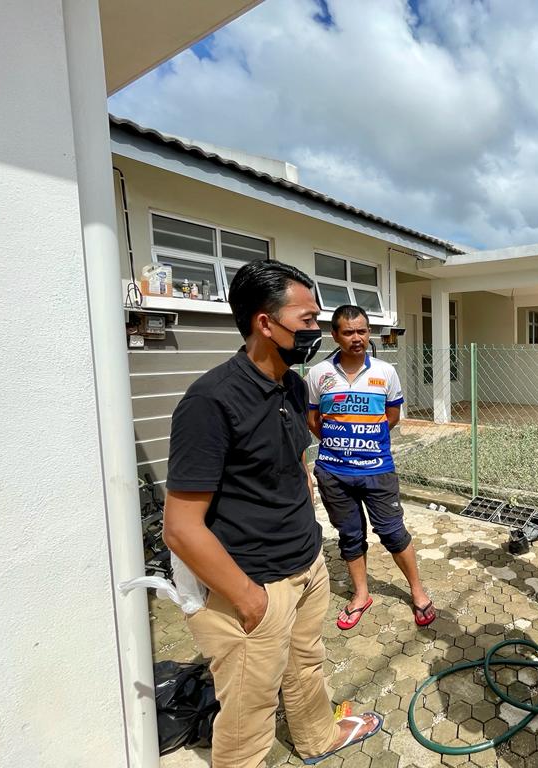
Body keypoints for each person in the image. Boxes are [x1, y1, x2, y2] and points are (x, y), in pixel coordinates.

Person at [162, 260, 382, 768]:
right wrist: (249, 599)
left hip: (306, 566)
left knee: (306, 666)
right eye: (306, 320)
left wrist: (311, 538)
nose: (317, 331)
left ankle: (317, 739)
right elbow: (181, 527)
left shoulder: (293, 386)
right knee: (248, 709)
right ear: (265, 322)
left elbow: (290, 466)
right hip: (253, 584)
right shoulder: (210, 402)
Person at [306, 305, 435, 630]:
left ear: (369, 333)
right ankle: (361, 594)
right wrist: (340, 443)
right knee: (349, 536)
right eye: (348, 332)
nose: (356, 338)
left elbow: (392, 416)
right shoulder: (318, 374)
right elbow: (312, 420)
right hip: (333, 474)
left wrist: (365, 440)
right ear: (335, 335)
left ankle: (417, 593)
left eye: (362, 331)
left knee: (393, 533)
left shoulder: (385, 372)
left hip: (377, 471)